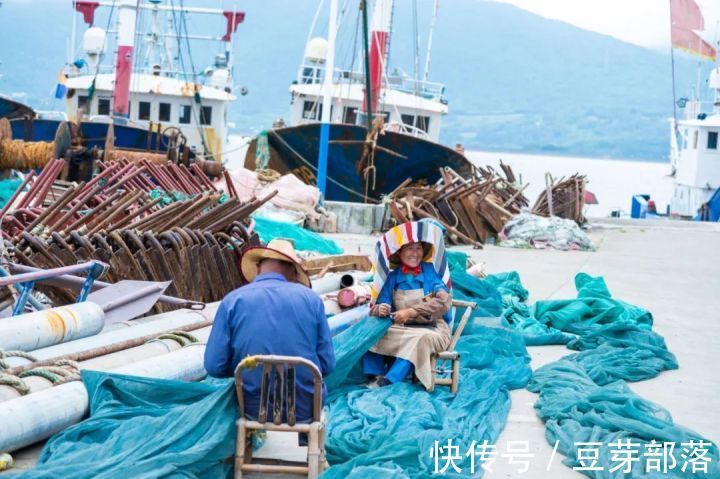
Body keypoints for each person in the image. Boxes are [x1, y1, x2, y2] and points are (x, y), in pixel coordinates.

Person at [204, 239, 335, 422]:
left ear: (258, 268)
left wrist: (248, 367)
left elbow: (214, 366)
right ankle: (306, 442)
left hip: (251, 407)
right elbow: (327, 365)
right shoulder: (312, 300)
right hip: (304, 407)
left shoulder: (232, 301)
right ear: (292, 272)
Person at [363, 223, 452, 388]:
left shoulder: (430, 272)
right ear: (400, 252)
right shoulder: (392, 277)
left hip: (432, 328)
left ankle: (391, 379)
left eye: (418, 248)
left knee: (420, 339)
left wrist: (411, 311)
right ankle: (373, 374)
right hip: (403, 327)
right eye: (410, 248)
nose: (415, 253)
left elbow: (444, 301)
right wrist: (381, 309)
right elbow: (379, 304)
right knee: (371, 328)